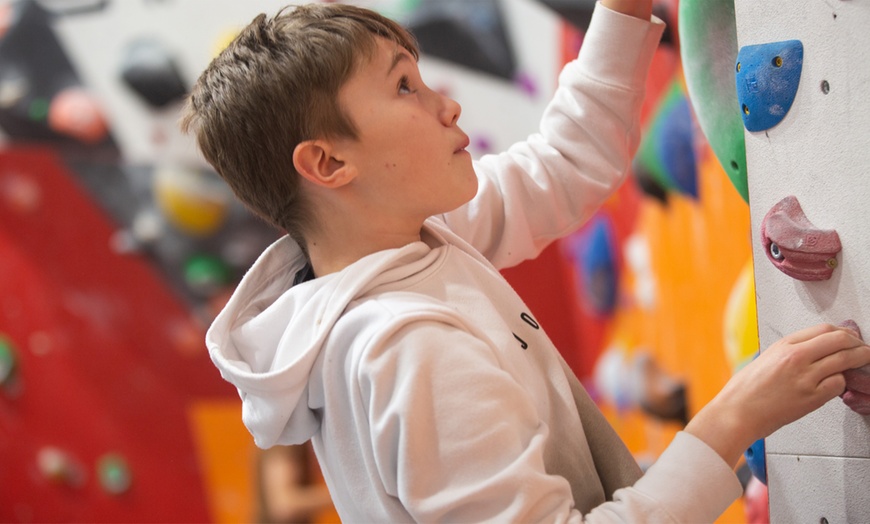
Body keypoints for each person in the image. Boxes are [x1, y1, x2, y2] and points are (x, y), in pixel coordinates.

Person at [180, 1, 870, 521]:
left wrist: (623, 12)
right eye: (405, 89)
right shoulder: (408, 350)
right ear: (328, 163)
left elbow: (563, 166)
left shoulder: (407, 243)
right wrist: (732, 424)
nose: (447, 105)